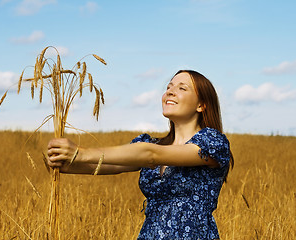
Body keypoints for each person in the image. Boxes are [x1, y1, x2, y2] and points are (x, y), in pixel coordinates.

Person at [47, 70, 234, 240]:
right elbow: (107, 164)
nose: (170, 91)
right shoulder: (153, 144)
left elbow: (150, 155)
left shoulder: (212, 143)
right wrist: (63, 162)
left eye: (181, 88)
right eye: (168, 87)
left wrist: (80, 153)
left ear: (201, 105)